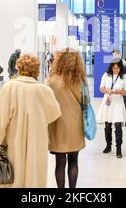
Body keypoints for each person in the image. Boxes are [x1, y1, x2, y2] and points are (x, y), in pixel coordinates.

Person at [0, 54, 61, 188]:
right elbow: (55, 112)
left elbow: (1, 118)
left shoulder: (9, 88)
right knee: (34, 173)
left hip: (13, 139)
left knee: (14, 173)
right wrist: (40, 119)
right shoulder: (44, 90)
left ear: (19, 68)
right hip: (38, 139)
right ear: (37, 70)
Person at [46, 49, 87, 188]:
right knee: (74, 161)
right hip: (75, 123)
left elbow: (46, 101)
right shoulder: (79, 80)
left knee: (60, 162)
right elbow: (86, 101)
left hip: (57, 123)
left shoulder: (51, 80)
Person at [97, 58, 126, 158]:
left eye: (117, 68)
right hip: (108, 102)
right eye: (114, 68)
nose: (115, 70)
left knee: (118, 126)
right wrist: (107, 90)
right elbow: (101, 88)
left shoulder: (124, 77)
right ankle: (108, 145)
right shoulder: (106, 75)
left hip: (118, 103)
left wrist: (118, 92)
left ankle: (118, 149)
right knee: (107, 125)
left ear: (120, 68)